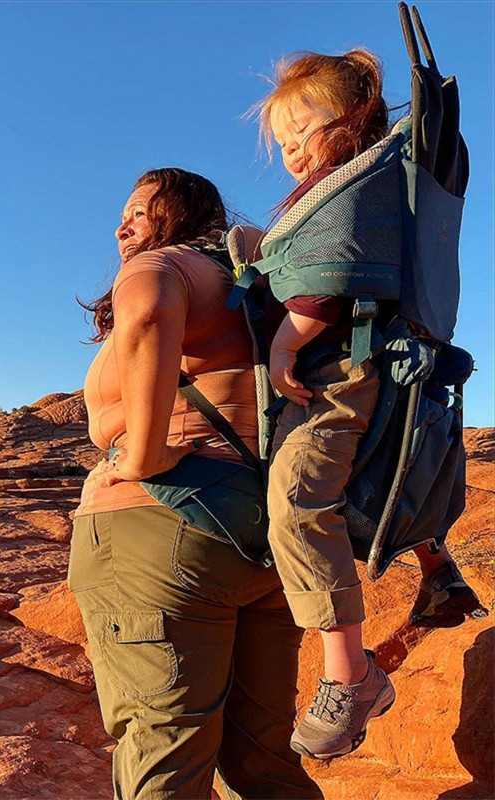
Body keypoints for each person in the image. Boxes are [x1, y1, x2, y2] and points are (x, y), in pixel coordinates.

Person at [256, 49, 484, 762]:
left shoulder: (354, 188)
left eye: (304, 131)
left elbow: (331, 275)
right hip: (378, 365)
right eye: (283, 142)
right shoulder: (382, 175)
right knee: (380, 472)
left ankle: (349, 677)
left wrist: (283, 344)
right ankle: (439, 567)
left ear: (354, 119)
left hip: (339, 366)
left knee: (297, 504)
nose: (293, 151)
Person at [68, 167, 322, 800]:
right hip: (265, 535)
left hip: (159, 528)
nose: (122, 226)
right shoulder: (270, 279)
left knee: (166, 751)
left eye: (139, 210)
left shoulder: (170, 264)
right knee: (265, 760)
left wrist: (144, 455)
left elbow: (148, 310)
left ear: (180, 214)